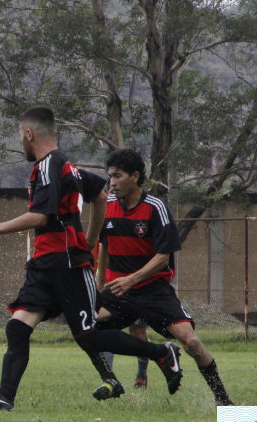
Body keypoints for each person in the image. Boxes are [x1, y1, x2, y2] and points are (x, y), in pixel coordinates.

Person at [0, 106, 183, 411]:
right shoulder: (65, 165)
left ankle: (161, 353)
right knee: (17, 326)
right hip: (44, 265)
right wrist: (91, 240)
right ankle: (4, 397)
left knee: (89, 338)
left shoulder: (49, 166)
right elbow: (102, 196)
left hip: (66, 265)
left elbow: (41, 216)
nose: (21, 143)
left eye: (20, 137)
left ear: (29, 134)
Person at [95, 148, 233, 405]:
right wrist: (99, 281)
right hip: (118, 292)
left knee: (190, 340)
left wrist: (131, 280)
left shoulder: (155, 208)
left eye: (117, 175)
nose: (111, 182)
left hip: (152, 290)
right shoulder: (108, 207)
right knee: (90, 328)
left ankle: (224, 402)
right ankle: (115, 379)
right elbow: (103, 244)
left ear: (135, 176)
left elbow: (162, 259)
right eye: (109, 176)